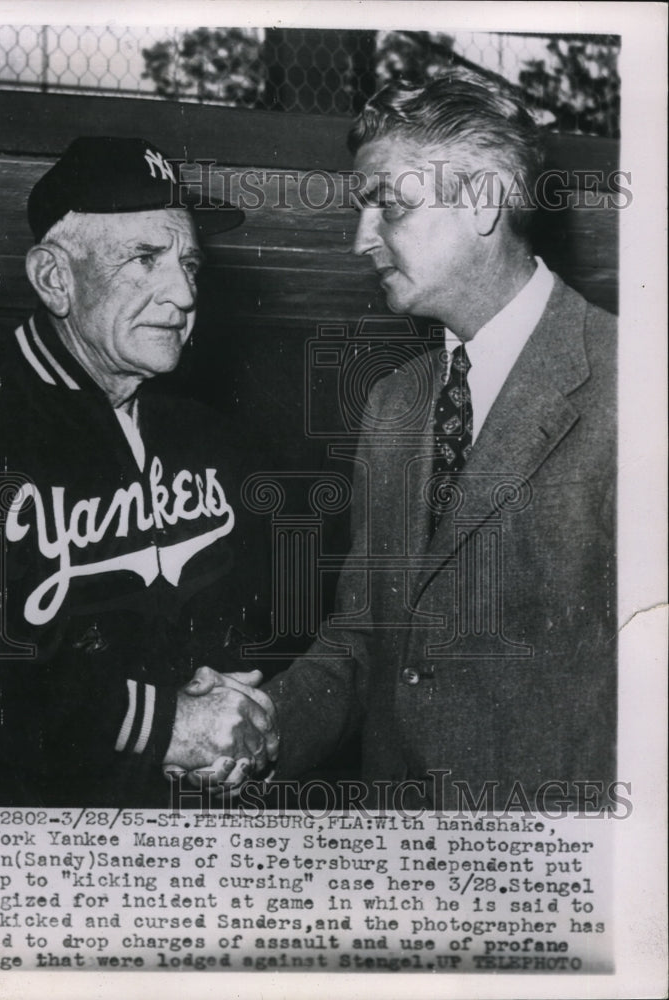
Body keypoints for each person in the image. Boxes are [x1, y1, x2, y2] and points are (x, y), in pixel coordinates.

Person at [198, 73, 617, 810]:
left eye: (387, 204)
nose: (360, 239)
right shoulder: (396, 403)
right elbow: (362, 639)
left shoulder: (637, 386)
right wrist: (260, 733)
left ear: (485, 201)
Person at [0, 136, 277, 807]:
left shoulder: (207, 433)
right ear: (56, 279)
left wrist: (233, 708)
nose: (182, 293)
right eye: (145, 260)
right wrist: (166, 723)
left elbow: (254, 629)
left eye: (189, 264)